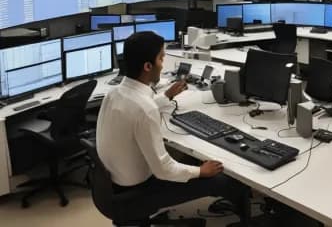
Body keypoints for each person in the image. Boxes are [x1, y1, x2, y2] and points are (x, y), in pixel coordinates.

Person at [96, 31, 248, 221]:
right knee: (221, 180)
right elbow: (164, 170)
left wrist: (166, 96)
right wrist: (201, 171)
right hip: (136, 192)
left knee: (190, 161)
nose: (163, 65)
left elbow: (136, 109)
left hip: (113, 185)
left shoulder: (114, 93)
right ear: (147, 66)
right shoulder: (145, 109)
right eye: (161, 58)